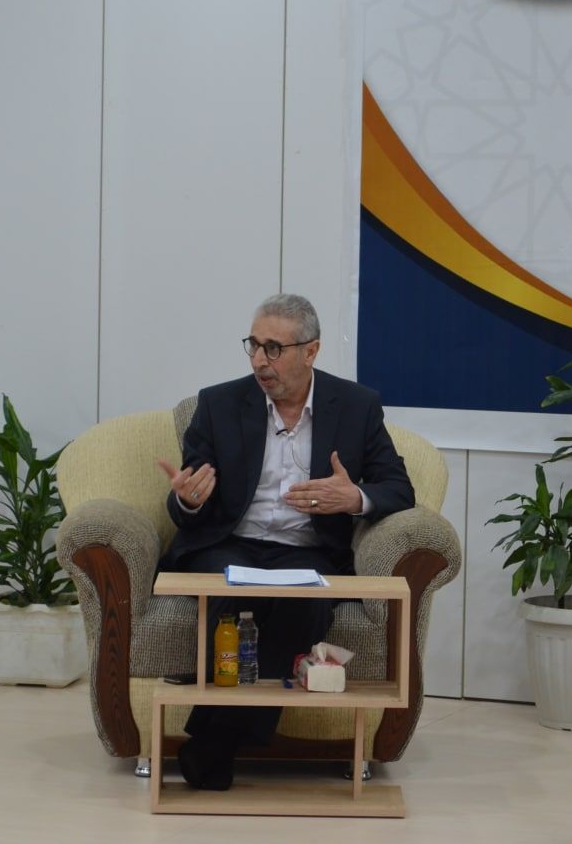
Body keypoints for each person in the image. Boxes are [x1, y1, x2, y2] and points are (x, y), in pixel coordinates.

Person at [155, 293, 415, 791]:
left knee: (308, 607)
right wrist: (187, 501)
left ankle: (215, 741)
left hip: (309, 550)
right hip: (230, 543)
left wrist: (353, 497)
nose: (259, 360)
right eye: (253, 345)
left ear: (310, 351)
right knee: (233, 595)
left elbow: (399, 489)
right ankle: (224, 740)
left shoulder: (356, 406)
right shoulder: (218, 404)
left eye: (273, 348)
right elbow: (190, 498)